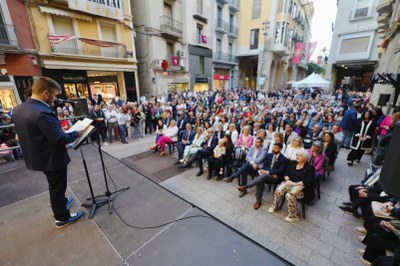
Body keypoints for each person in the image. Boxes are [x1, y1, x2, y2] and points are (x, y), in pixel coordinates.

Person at [13, 77, 85, 228]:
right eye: (55, 95)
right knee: (57, 187)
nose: (55, 99)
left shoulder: (19, 109)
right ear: (46, 93)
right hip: (51, 158)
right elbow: (59, 138)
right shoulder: (42, 112)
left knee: (55, 185)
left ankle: (63, 202)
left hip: (37, 156)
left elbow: (32, 132)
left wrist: (57, 130)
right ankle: (62, 217)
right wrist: (76, 134)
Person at [268, 150, 316, 222]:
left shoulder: (310, 168)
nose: (297, 157)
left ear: (305, 158)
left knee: (289, 195)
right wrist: (287, 180)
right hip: (290, 184)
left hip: (302, 188)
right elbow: (285, 172)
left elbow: (308, 181)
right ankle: (274, 206)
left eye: (300, 155)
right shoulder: (293, 163)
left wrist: (294, 184)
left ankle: (293, 216)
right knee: (279, 190)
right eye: (297, 155)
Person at [237, 142, 288, 210]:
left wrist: (268, 172)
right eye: (273, 147)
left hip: (276, 178)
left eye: (275, 148)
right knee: (261, 179)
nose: (273, 149)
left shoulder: (284, 159)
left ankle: (246, 186)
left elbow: (280, 171)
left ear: (280, 149)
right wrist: (270, 172)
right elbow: (265, 166)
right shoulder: (269, 155)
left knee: (263, 176)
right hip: (270, 175)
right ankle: (258, 200)